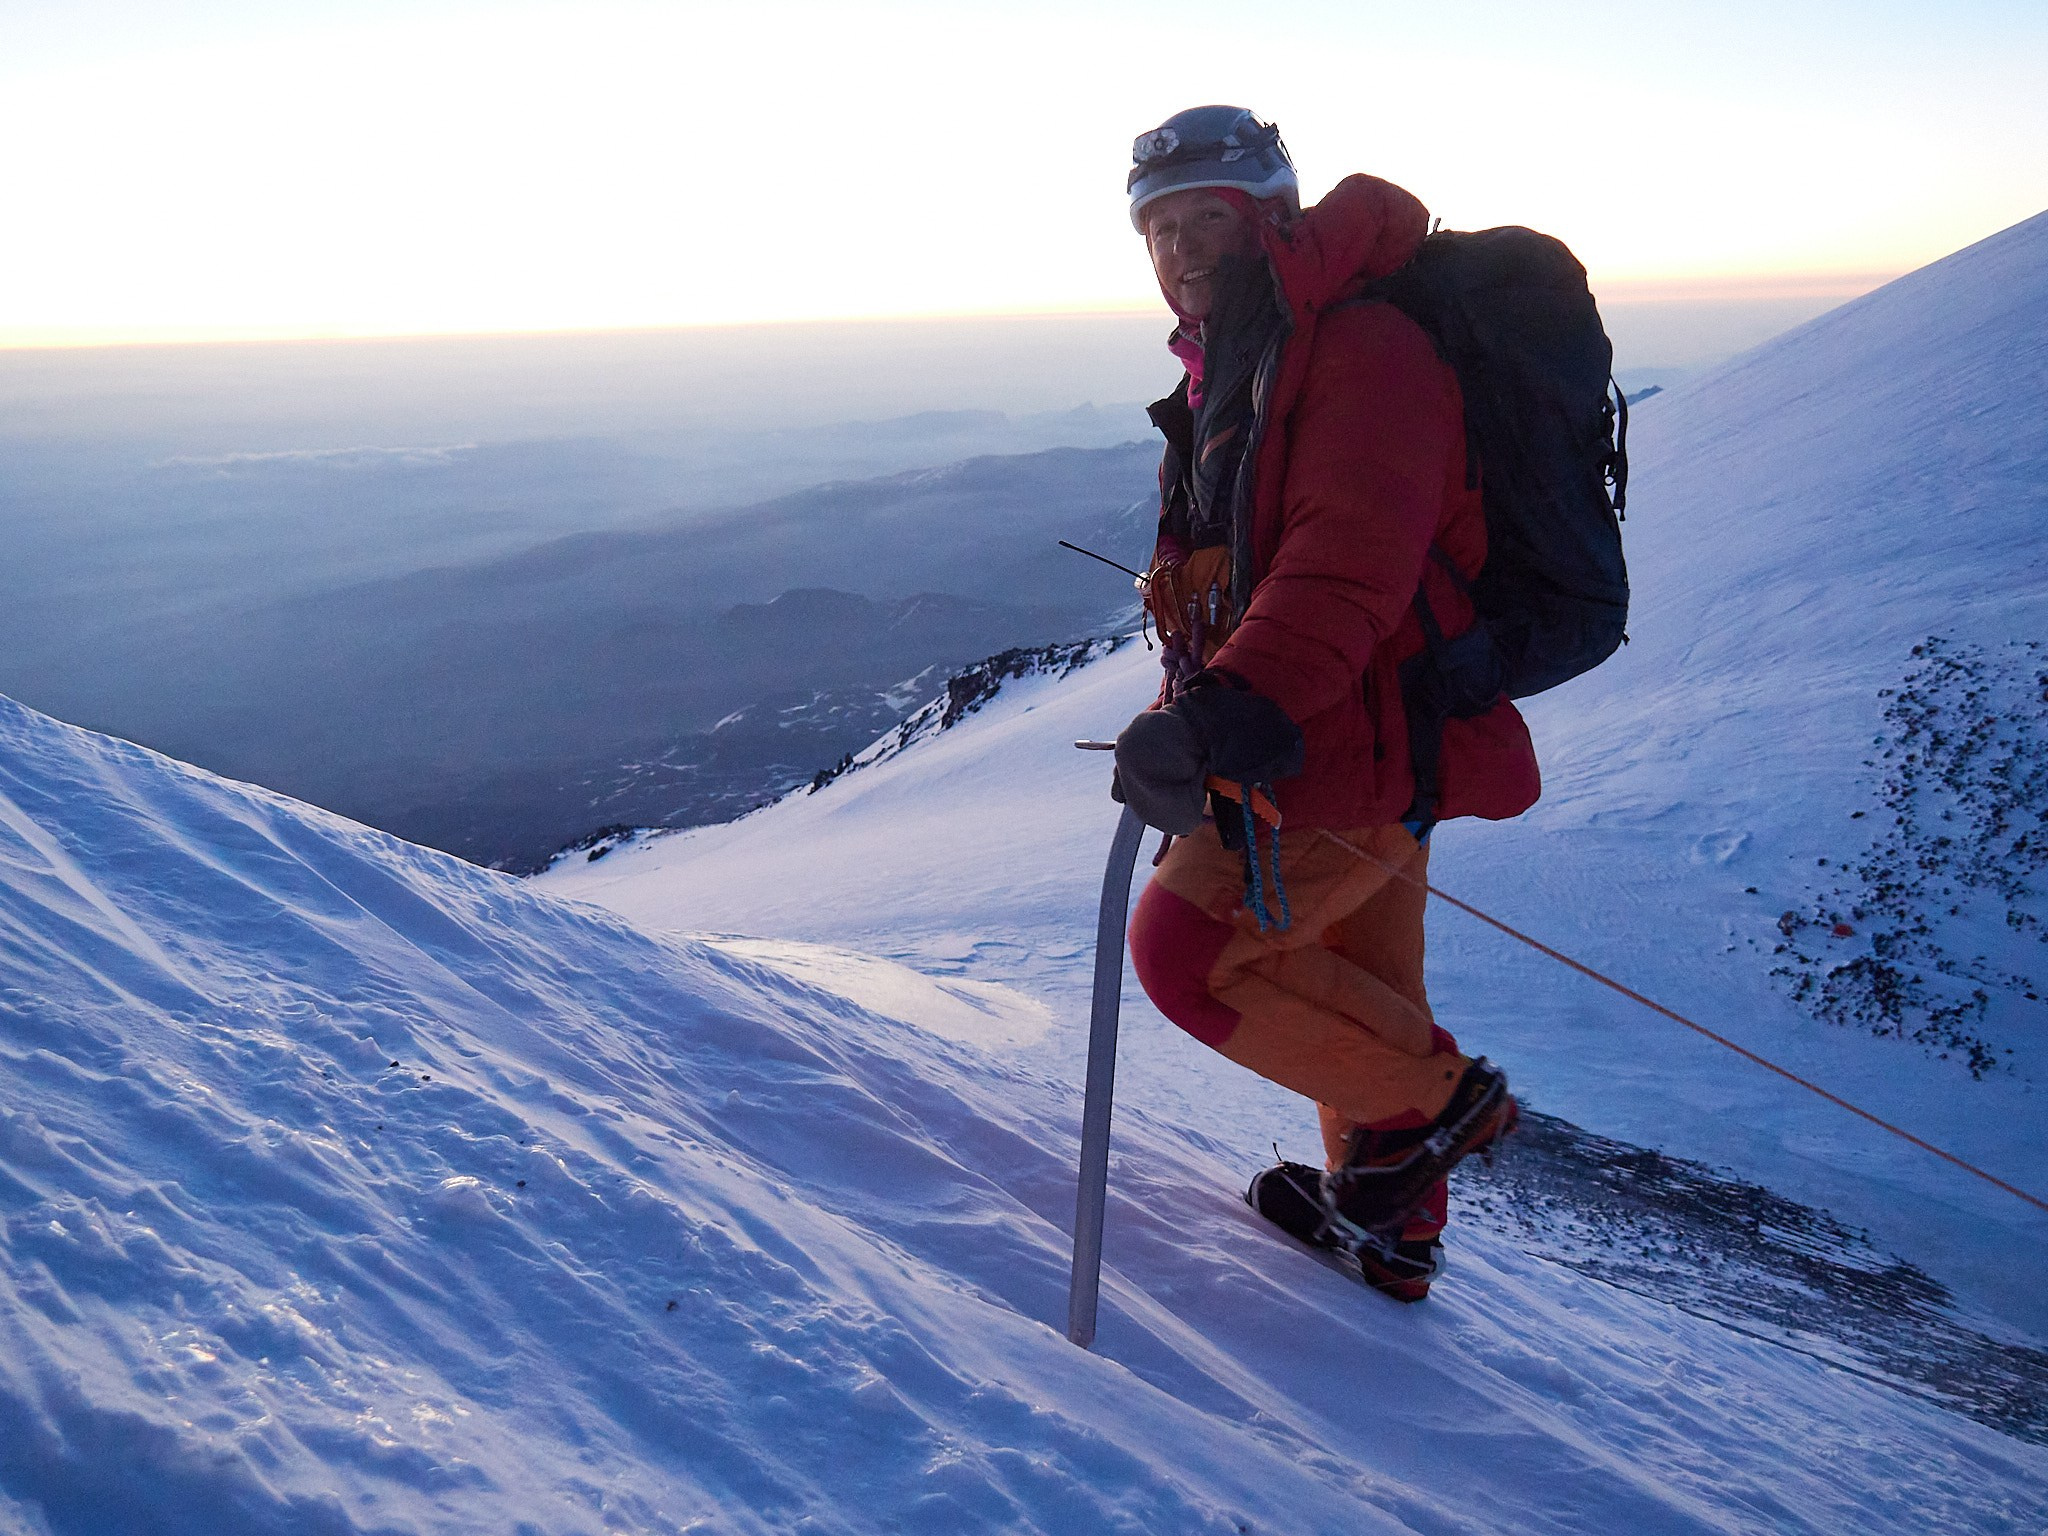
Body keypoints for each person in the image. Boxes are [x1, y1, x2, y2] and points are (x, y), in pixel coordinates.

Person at [1112, 106, 1538, 1300]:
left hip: (1346, 741)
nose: (1184, 249)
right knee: (1357, 984)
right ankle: (1393, 1230)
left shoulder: (1361, 350)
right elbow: (1215, 578)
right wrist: (1187, 706)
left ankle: (1439, 1109)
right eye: (1161, 229)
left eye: (1210, 220)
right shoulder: (1233, 373)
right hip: (1346, 738)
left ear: (1272, 220)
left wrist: (1218, 712)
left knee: (1186, 953)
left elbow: (1344, 563)